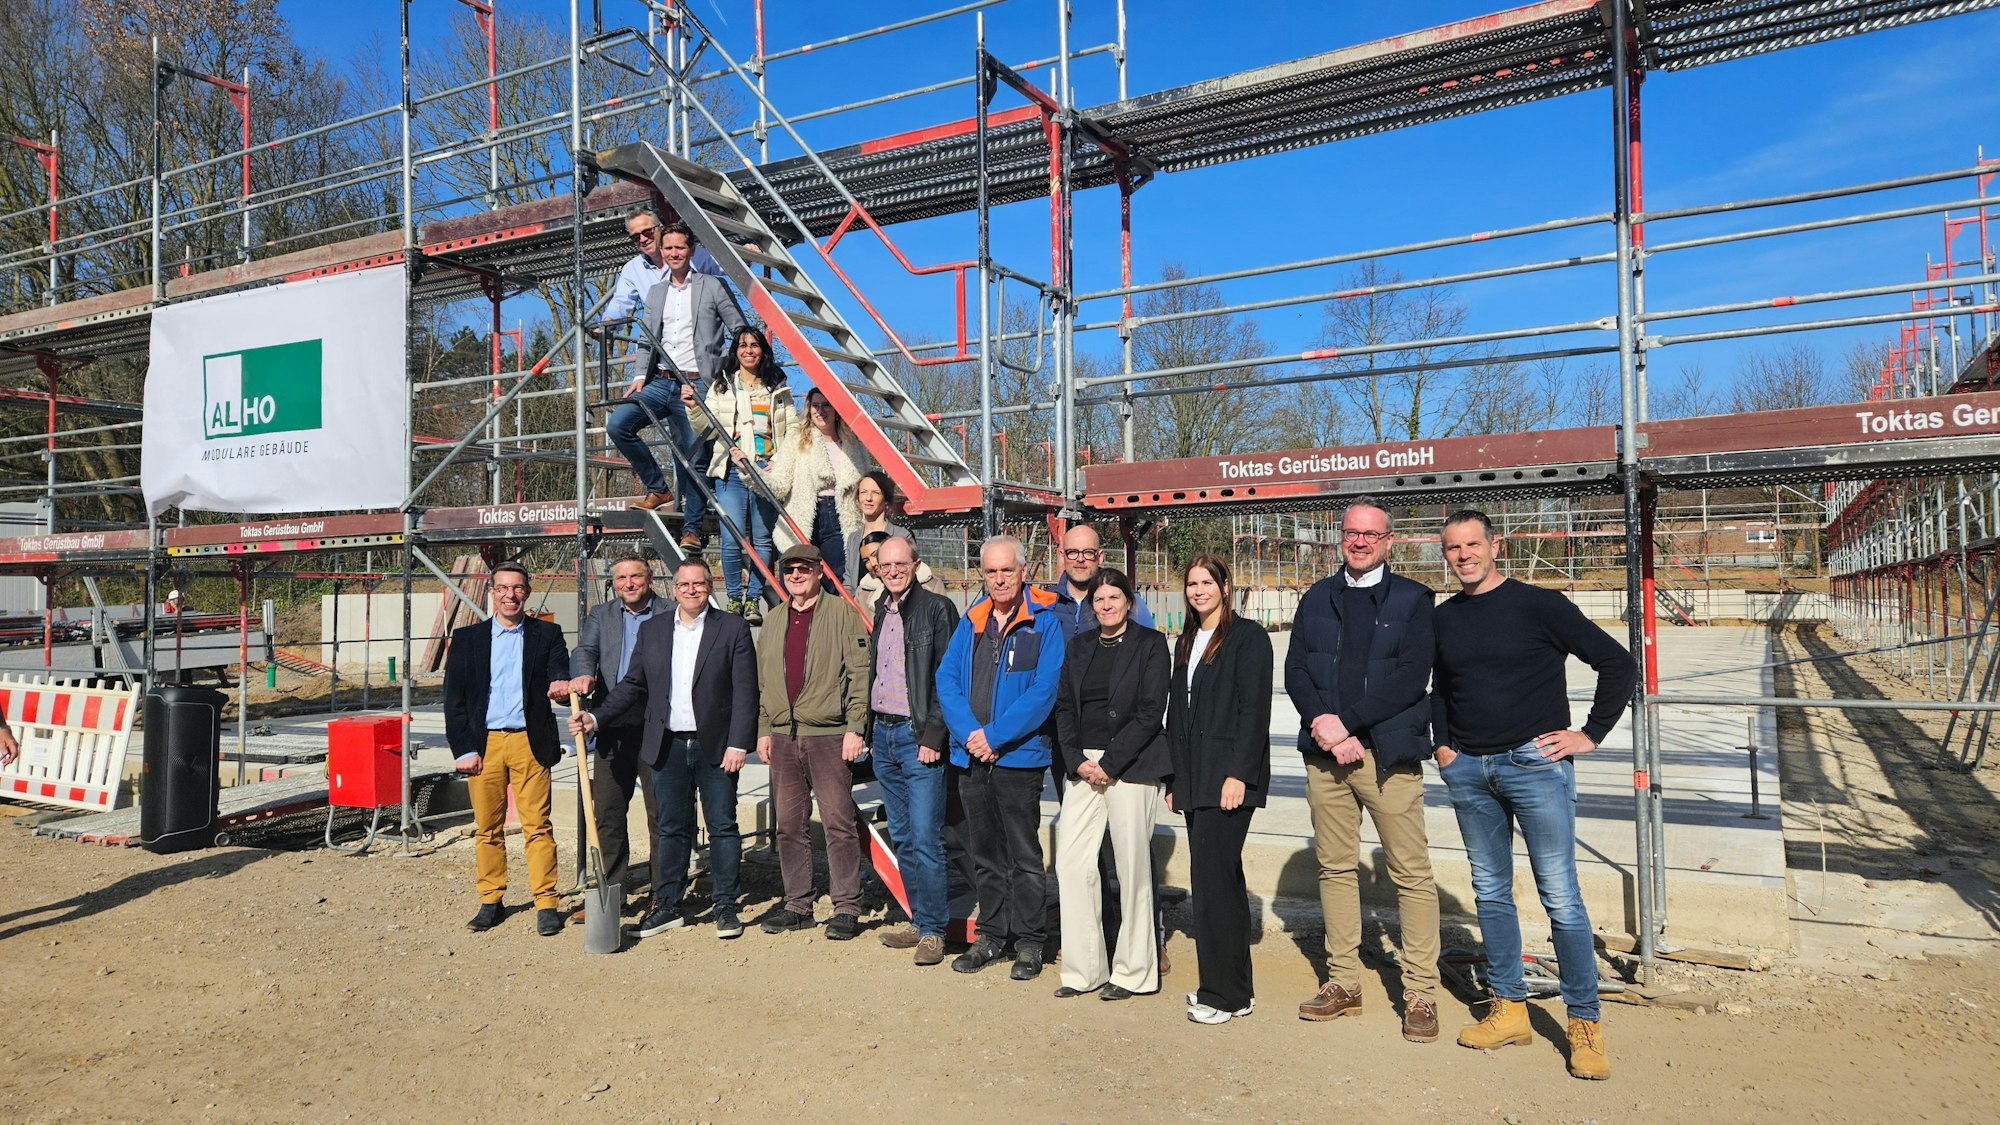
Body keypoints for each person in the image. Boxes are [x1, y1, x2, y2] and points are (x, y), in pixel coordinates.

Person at [1431, 508, 1636, 1081]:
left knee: (1561, 897)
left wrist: (1590, 735)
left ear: (1495, 546)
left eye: (1473, 544)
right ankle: (1510, 1010)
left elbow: (1617, 664)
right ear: (1444, 554)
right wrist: (1444, 749)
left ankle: (1584, 1024)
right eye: (1453, 548)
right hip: (1470, 770)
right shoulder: (1444, 619)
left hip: (1534, 764)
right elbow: (1441, 690)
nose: (1463, 555)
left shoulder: (1540, 605)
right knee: (1491, 891)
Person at [1283, 495, 1442, 1041]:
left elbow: (1409, 678)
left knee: (1411, 874)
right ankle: (1343, 981)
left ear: (1389, 541)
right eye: (1351, 532)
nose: (1359, 541)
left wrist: (1346, 723)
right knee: (1334, 868)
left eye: (1371, 534)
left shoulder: (1415, 600)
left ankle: (1421, 990)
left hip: (1387, 757)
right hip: (1326, 758)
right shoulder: (1317, 597)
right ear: (1340, 536)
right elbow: (1296, 670)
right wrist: (1324, 725)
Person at [573, 557, 758, 939]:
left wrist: (739, 743)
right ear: (673, 590)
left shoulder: (732, 628)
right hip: (667, 745)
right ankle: (668, 905)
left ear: (709, 587)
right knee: (671, 828)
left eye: (699, 584)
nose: (691, 590)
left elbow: (745, 692)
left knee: (722, 827)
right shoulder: (656, 630)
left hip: (716, 746)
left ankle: (725, 906)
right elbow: (632, 684)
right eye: (684, 585)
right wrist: (596, 718)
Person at [937, 534, 1066, 980]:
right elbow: (946, 680)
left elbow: (1044, 691)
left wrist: (994, 736)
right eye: (990, 571)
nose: (998, 579)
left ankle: (1030, 942)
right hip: (972, 757)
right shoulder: (971, 621)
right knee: (985, 853)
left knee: (1024, 856)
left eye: (1006, 570)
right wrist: (971, 735)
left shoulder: (1044, 622)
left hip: (1019, 759)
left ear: (1023, 571)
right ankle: (991, 936)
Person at [1051, 567, 1169, 1001]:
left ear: (1128, 601)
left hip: (1131, 767)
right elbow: (1064, 707)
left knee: (1132, 868)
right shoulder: (1079, 647)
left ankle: (1134, 972)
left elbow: (1151, 710)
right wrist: (1078, 761)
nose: (1105, 605)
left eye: (1113, 598)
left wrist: (1112, 762)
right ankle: (1085, 970)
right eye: (1099, 599)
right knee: (1072, 863)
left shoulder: (1151, 645)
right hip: (1085, 767)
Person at [1166, 555, 1273, 1025]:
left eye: (1207, 582)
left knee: (1213, 885)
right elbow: (1179, 712)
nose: (1198, 590)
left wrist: (1239, 774)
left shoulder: (1249, 639)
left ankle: (1223, 995)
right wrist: (1174, 779)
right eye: (1192, 583)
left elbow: (1254, 712)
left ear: (1225, 586)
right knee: (1217, 883)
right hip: (1196, 777)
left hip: (1227, 779)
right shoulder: (1188, 640)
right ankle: (1233, 990)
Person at [443, 563, 572, 937]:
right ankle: (491, 899)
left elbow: (558, 678)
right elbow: (454, 701)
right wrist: (463, 748)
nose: (510, 595)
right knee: (487, 827)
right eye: (503, 588)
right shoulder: (468, 640)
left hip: (529, 742)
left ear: (527, 592)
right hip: (485, 744)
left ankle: (547, 902)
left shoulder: (546, 634)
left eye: (517, 588)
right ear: (492, 592)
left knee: (537, 826)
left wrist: (561, 689)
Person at [754, 543, 872, 939]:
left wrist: (856, 726)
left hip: (829, 735)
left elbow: (859, 673)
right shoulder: (773, 620)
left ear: (820, 571)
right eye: (790, 570)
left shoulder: (841, 613)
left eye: (804, 569)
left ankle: (846, 906)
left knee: (838, 824)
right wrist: (763, 729)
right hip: (785, 737)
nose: (797, 576)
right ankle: (798, 903)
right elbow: (764, 680)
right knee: (788, 826)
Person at [605, 221, 746, 539]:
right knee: (619, 424)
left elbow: (740, 328)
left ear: (691, 251)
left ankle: (692, 528)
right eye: (668, 248)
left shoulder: (712, 286)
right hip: (660, 380)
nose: (673, 253)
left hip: (696, 382)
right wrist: (641, 374)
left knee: (694, 456)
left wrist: (727, 372)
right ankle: (658, 489)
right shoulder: (655, 292)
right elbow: (647, 338)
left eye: (679, 247)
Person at [866, 534, 963, 967]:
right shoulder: (879, 611)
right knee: (902, 835)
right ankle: (919, 919)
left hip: (916, 735)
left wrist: (933, 736)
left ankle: (935, 932)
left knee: (926, 837)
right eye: (884, 566)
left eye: (899, 564)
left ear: (915, 564)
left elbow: (949, 676)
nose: (892, 571)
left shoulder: (937, 609)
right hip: (884, 736)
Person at [566, 554, 673, 913]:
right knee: (608, 812)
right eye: (621, 578)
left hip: (656, 726)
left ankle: (663, 894)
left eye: (635, 577)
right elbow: (586, 650)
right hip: (610, 726)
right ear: (614, 583)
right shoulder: (602, 614)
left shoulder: (670, 612)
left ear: (650, 579)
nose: (628, 584)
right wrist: (583, 674)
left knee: (661, 815)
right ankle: (611, 893)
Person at [687, 324, 795, 621]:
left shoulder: (777, 387)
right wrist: (692, 410)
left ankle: (753, 600)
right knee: (732, 535)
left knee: (762, 538)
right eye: (743, 345)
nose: (749, 350)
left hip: (765, 468)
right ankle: (734, 597)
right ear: (736, 351)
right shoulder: (722, 386)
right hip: (731, 470)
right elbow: (704, 430)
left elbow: (793, 430)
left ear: (763, 351)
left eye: (755, 345)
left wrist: (780, 460)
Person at [767, 388, 867, 588]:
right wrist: (751, 471)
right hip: (804, 514)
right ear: (809, 409)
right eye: (816, 405)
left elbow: (864, 483)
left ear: (836, 409)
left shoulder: (853, 443)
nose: (821, 411)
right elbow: (779, 485)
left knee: (836, 581)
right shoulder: (796, 438)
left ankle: (832, 619)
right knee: (798, 581)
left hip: (841, 517)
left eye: (827, 405)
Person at [1044, 523, 1153, 639]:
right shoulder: (1045, 604)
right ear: (1062, 556)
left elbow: (1149, 647)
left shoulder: (1129, 603)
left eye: (1088, 552)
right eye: (1073, 552)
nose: (1080, 559)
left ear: (1100, 557)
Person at [843, 471, 909, 587]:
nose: (868, 498)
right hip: (859, 603)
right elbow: (849, 581)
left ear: (886, 499)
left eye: (875, 493)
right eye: (863, 492)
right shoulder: (853, 539)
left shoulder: (902, 536)